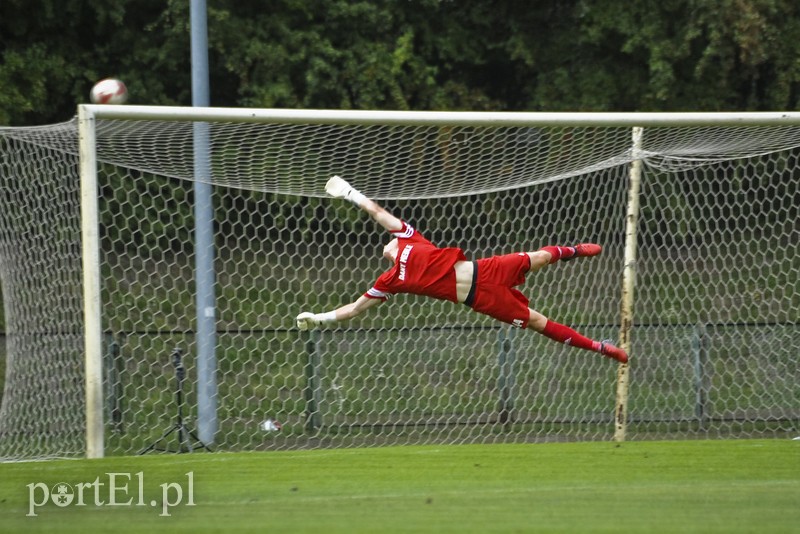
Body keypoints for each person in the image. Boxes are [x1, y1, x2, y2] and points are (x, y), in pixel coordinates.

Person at [296, 176, 628, 364]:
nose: (382, 247)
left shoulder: (408, 236)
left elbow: (376, 211)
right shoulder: (391, 279)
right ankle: (598, 347)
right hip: (480, 299)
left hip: (486, 270)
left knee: (537, 257)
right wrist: (319, 318)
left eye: (385, 242)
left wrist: (351, 193)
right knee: (538, 321)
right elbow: (355, 309)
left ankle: (573, 250)